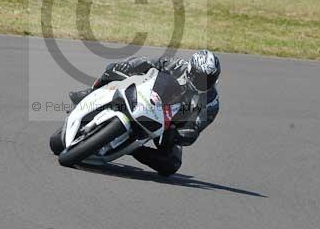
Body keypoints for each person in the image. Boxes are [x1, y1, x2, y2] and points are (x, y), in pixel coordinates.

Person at [53, 50, 221, 176]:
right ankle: (90, 92)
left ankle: (133, 149)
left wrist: (185, 134)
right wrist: (130, 65)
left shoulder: (211, 102)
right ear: (192, 70)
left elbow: (197, 126)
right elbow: (150, 62)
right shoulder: (178, 66)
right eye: (200, 77)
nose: (204, 83)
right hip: (151, 99)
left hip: (171, 124)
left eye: (209, 80)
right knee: (115, 69)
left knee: (171, 165)